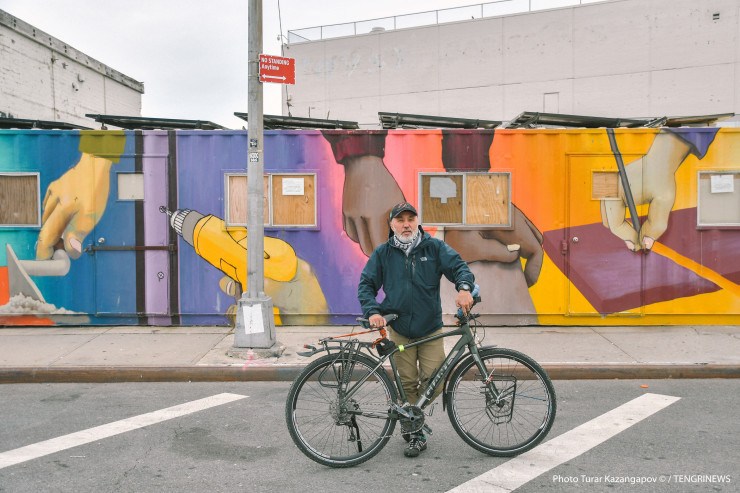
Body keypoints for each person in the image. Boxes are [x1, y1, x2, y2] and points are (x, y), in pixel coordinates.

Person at [358, 201, 475, 458]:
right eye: (400, 220)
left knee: (436, 379)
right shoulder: (383, 253)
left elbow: (459, 267)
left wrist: (464, 288)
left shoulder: (434, 248)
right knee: (407, 383)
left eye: (410, 219)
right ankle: (414, 431)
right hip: (399, 329)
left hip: (430, 328)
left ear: (417, 222)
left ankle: (412, 413)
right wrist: (373, 311)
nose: (406, 224)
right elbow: (366, 284)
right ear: (391, 224)